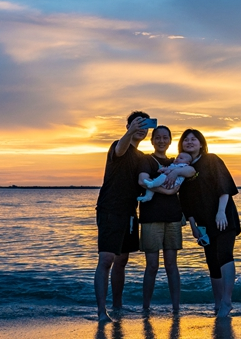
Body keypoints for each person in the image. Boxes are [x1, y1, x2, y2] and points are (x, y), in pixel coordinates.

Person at [177, 129, 241, 318]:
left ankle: (227, 301)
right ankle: (218, 303)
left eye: (193, 139)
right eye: (186, 140)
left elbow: (224, 187)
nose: (189, 142)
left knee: (224, 255)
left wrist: (221, 212)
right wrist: (193, 225)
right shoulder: (183, 167)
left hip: (223, 217)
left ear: (201, 143)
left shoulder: (212, 159)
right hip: (204, 223)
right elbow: (186, 201)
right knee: (212, 262)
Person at [94, 111, 150, 323]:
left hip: (129, 212)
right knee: (106, 259)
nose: (141, 128)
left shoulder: (142, 157)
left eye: (145, 125)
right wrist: (131, 131)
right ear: (128, 126)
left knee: (122, 260)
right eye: (137, 124)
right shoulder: (119, 146)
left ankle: (117, 306)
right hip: (110, 209)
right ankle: (102, 311)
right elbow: (121, 148)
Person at [136, 125, 194, 313]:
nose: (161, 141)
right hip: (150, 217)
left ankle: (176, 309)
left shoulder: (175, 162)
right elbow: (142, 180)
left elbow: (192, 172)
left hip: (173, 217)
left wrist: (177, 173)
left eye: (165, 138)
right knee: (152, 266)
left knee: (171, 265)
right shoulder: (147, 160)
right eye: (158, 138)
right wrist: (167, 191)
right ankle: (146, 308)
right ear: (152, 141)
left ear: (170, 141)